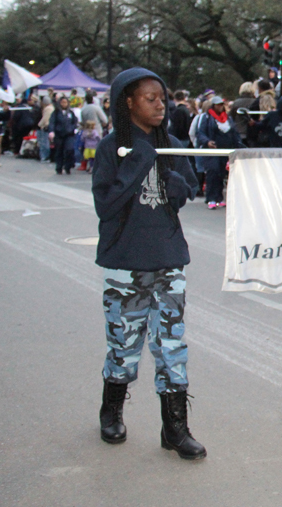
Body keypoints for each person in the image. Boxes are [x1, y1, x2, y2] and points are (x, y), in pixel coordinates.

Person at [91, 67, 204, 459]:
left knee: (171, 345)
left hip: (169, 260)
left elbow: (188, 189)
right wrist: (137, 163)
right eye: (150, 98)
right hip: (126, 264)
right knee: (123, 346)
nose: (161, 104)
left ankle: (175, 428)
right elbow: (105, 207)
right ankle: (112, 410)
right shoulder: (112, 148)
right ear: (127, 101)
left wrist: (179, 188)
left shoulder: (172, 143)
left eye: (163, 97)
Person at [197, 96, 245, 210]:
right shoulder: (207, 118)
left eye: (221, 104)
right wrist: (207, 142)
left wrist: (238, 144)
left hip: (225, 149)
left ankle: (219, 198)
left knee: (221, 174)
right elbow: (201, 133)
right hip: (213, 150)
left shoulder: (227, 118)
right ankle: (211, 198)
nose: (220, 106)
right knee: (213, 172)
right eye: (217, 105)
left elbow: (234, 133)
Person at [49, 96, 78, 175]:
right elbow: (52, 122)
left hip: (69, 134)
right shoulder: (56, 112)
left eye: (65, 102)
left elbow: (75, 122)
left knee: (69, 149)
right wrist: (51, 131)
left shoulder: (71, 112)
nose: (64, 104)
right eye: (62, 102)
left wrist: (73, 128)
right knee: (59, 151)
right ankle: (59, 167)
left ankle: (68, 166)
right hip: (59, 135)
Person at [38, 97, 54, 163]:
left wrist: (39, 124)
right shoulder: (52, 108)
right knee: (46, 142)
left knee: (44, 142)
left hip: (45, 127)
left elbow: (45, 118)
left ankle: (45, 156)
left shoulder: (48, 109)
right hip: (48, 127)